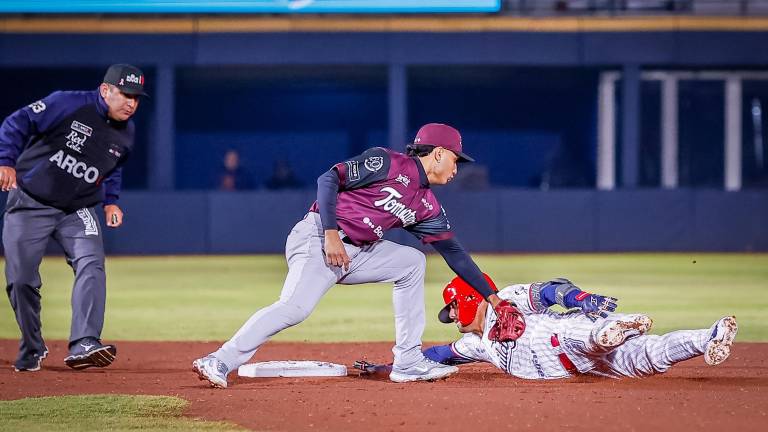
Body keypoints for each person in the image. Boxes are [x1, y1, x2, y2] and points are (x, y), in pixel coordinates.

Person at [193, 123, 523, 387]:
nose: (457, 167)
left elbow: (454, 252)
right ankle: (220, 359)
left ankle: (407, 361)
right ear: (437, 153)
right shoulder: (388, 162)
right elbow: (328, 179)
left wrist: (492, 298)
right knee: (295, 308)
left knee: (412, 263)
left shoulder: (426, 204)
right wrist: (331, 232)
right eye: (455, 158)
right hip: (318, 238)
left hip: (359, 252)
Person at [0, 64, 147, 371]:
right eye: (125, 94)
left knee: (92, 263)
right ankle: (33, 346)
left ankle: (84, 342)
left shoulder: (127, 132)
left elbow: (115, 165)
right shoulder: (67, 103)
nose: (131, 103)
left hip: (78, 209)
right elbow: (18, 121)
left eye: (136, 97)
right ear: (105, 90)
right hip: (30, 202)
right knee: (20, 280)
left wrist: (111, 202)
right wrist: (6, 161)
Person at [413, 276, 737, 379]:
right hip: (586, 369)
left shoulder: (506, 299)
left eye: (453, 307)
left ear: (470, 296)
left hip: (566, 336)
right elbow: (441, 354)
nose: (453, 317)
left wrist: (579, 297)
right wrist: (391, 367)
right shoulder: (476, 344)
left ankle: (615, 329)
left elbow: (548, 291)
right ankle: (708, 337)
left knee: (581, 335)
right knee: (650, 357)